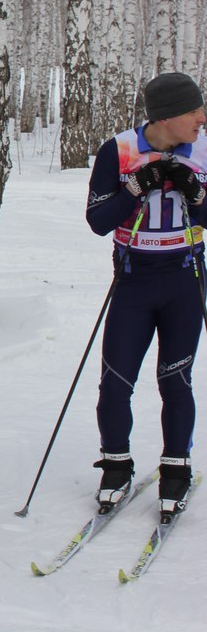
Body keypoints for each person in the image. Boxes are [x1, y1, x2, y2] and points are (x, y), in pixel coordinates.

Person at [84, 71, 207, 519]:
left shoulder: (203, 148)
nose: (201, 118)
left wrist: (194, 194)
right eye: (194, 111)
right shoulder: (117, 150)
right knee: (116, 380)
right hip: (134, 279)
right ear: (168, 115)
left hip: (185, 278)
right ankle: (116, 464)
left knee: (176, 379)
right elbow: (98, 220)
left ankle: (176, 469)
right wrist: (138, 186)